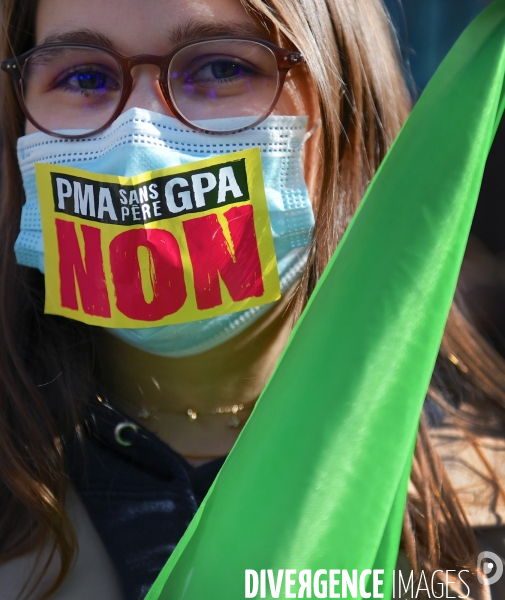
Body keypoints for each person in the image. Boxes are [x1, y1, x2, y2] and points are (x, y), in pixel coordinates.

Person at [1, 0, 505, 599]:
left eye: (219, 68)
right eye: (84, 78)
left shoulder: (484, 514)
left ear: (343, 102)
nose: (136, 129)